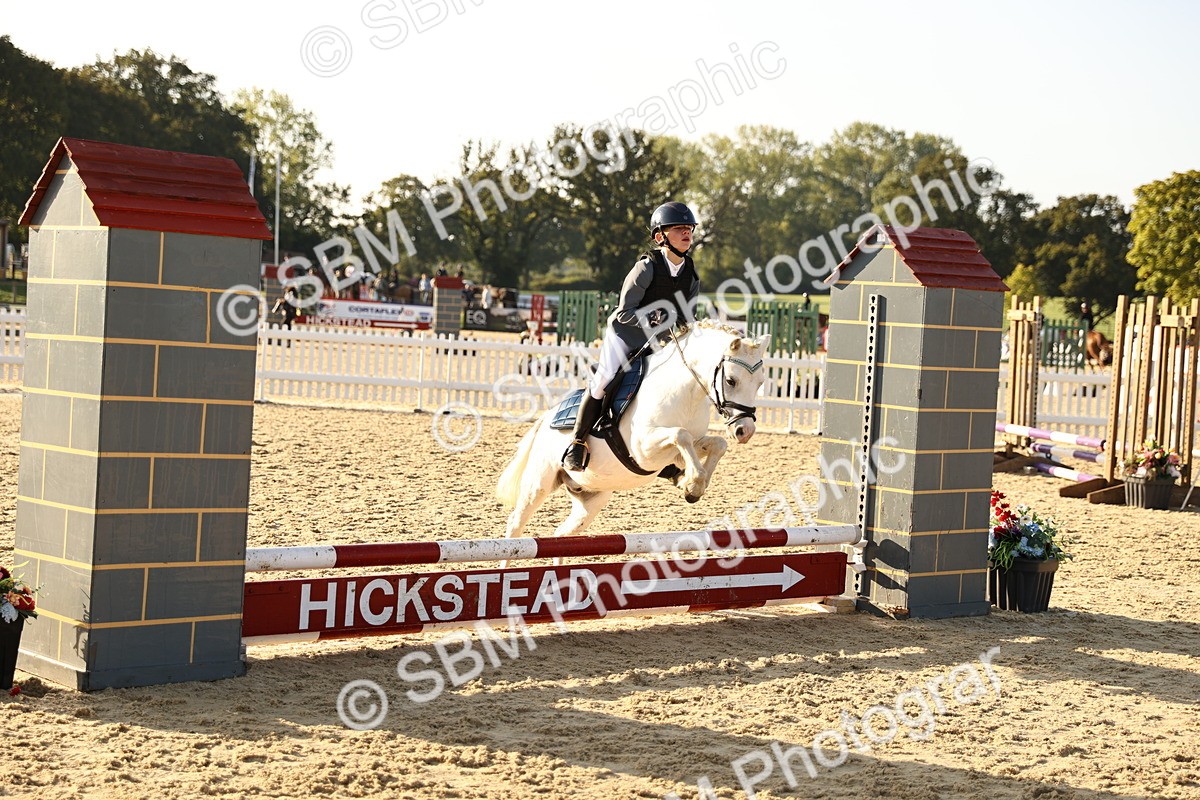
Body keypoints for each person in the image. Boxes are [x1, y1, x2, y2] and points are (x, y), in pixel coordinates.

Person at [562, 201, 700, 471]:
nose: (687, 233)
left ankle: (666, 451)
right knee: (605, 379)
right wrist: (653, 318)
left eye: (689, 228)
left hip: (659, 341)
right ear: (660, 236)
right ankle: (578, 443)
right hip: (626, 334)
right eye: (679, 228)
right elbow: (624, 312)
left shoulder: (691, 274)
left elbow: (687, 318)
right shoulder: (646, 267)